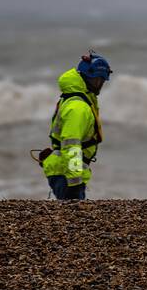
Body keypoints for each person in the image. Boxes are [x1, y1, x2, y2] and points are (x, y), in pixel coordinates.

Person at [39, 51, 111, 200]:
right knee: (71, 219)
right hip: (66, 175)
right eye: (98, 80)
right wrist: (75, 182)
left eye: (102, 81)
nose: (100, 85)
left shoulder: (75, 100)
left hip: (63, 171)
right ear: (87, 78)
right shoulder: (78, 107)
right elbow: (71, 144)